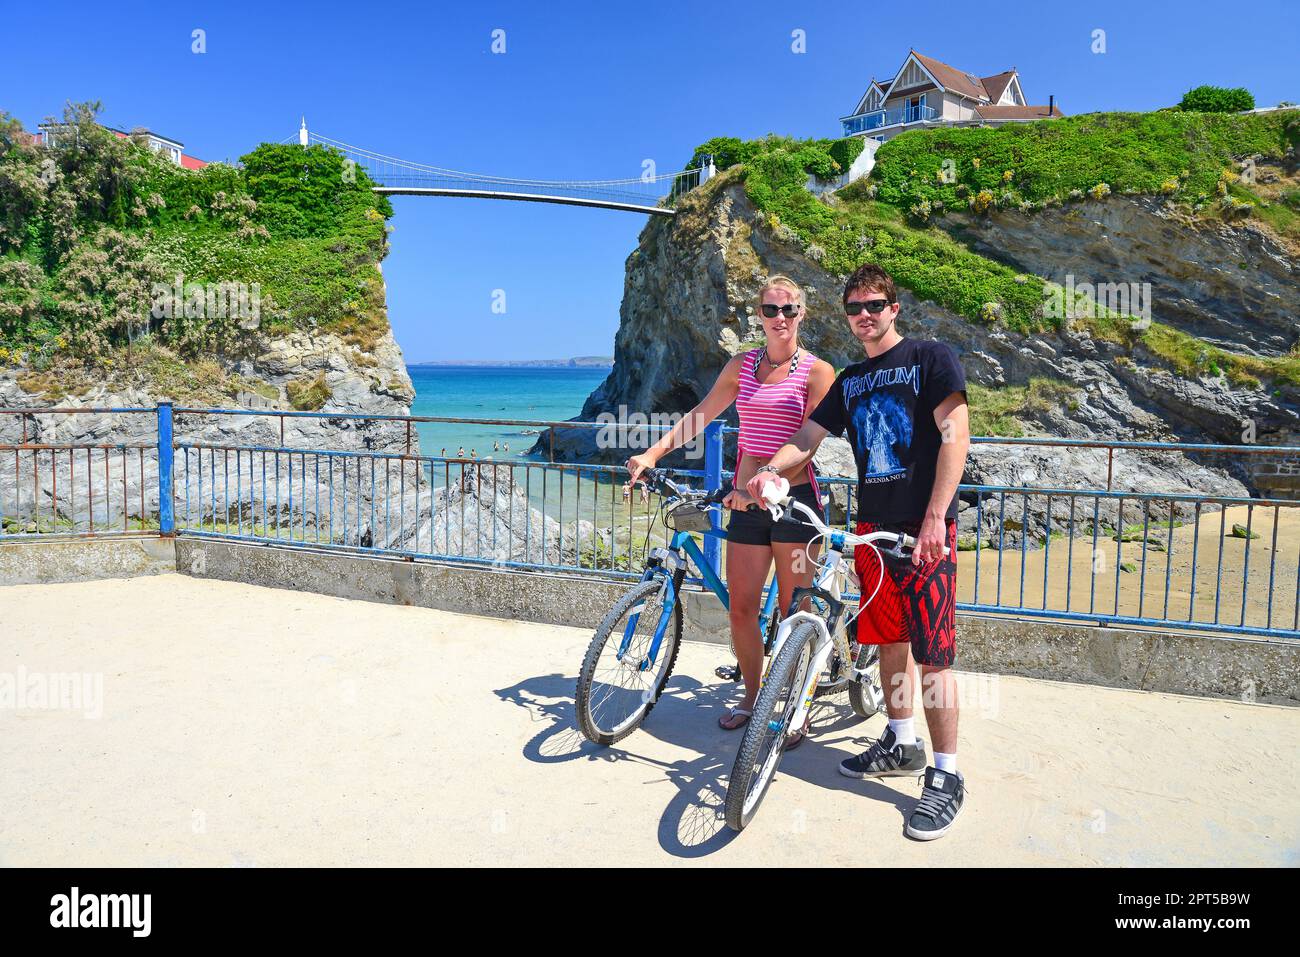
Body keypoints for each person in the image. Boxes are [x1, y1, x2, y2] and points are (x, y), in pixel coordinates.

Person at [748, 263, 970, 840]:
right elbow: (807, 438)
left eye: (874, 305)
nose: (864, 316)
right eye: (853, 308)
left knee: (934, 655)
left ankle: (947, 775)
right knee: (888, 641)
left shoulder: (930, 358)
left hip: (922, 532)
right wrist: (771, 470)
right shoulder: (850, 380)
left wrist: (935, 519)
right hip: (872, 528)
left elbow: (955, 436)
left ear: (894, 308)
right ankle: (901, 740)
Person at [628, 276, 834, 736]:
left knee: (793, 612)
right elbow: (701, 414)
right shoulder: (741, 366)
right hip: (744, 504)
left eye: (789, 310)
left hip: (794, 502)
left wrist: (770, 479)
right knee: (740, 607)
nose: (779, 318)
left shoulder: (817, 372)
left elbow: (808, 443)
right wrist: (653, 454)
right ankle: (754, 698)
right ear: (757, 315)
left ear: (802, 314)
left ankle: (796, 706)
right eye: (770, 310)